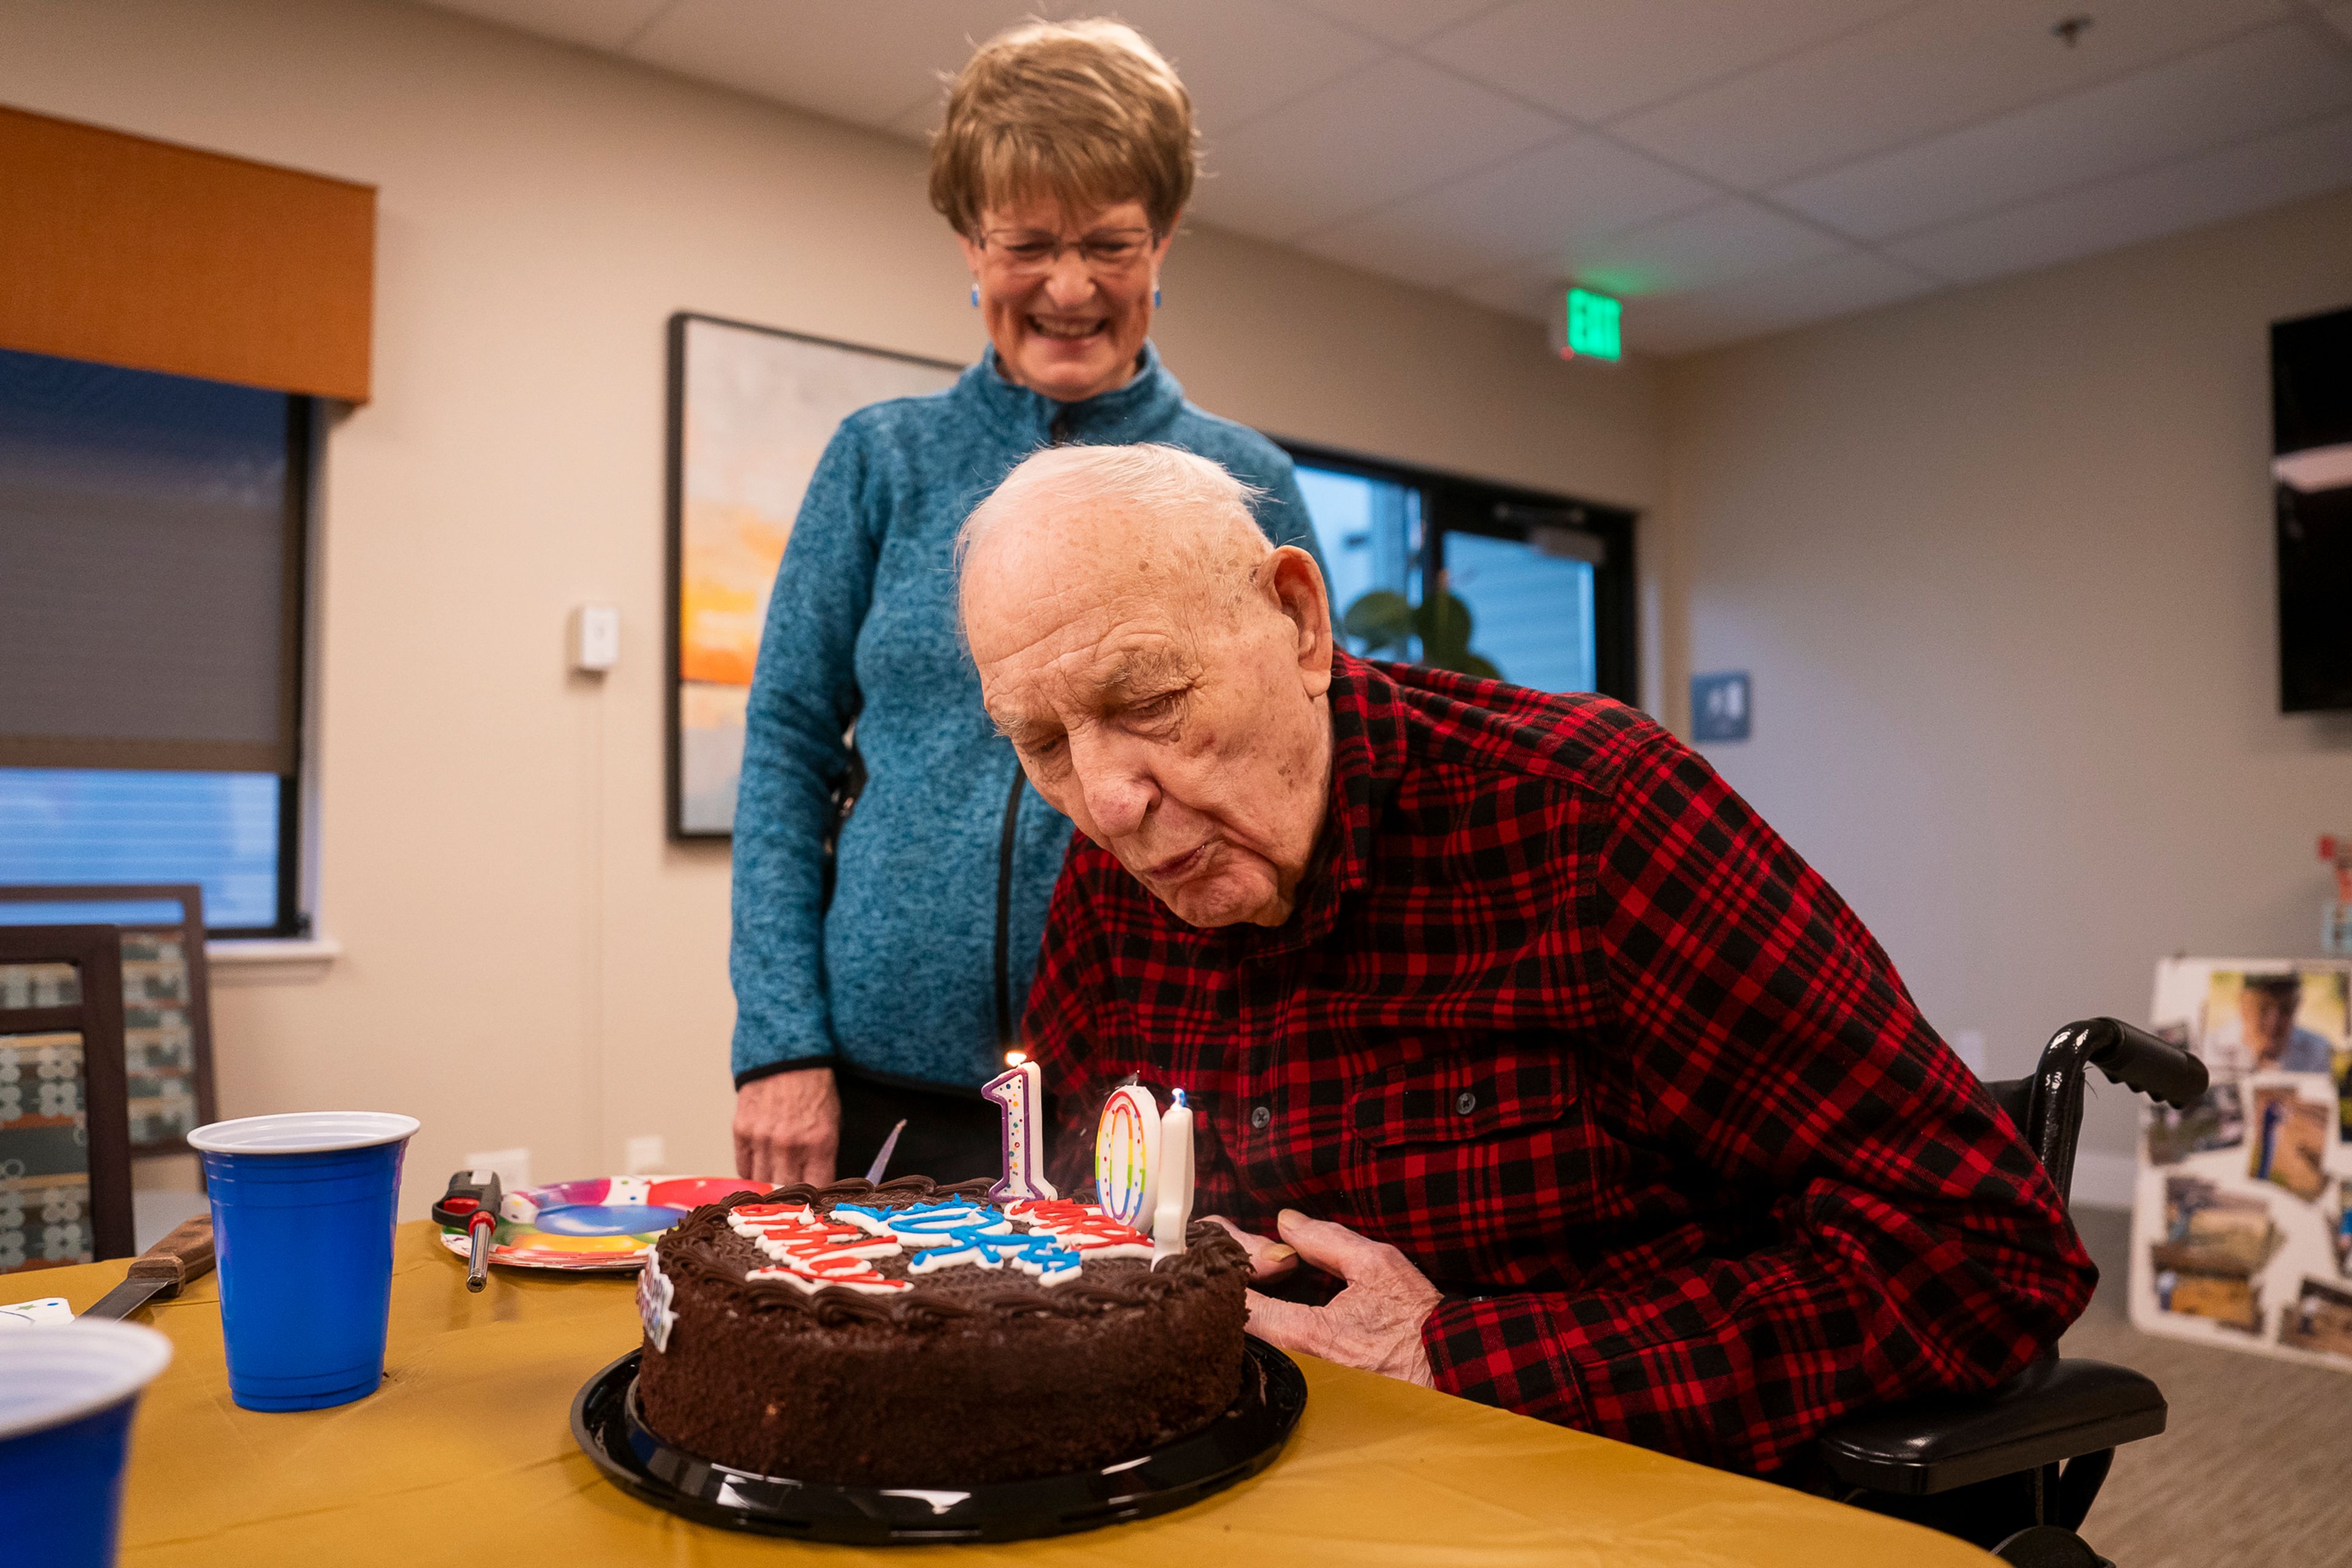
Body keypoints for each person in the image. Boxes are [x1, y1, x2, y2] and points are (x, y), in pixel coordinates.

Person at [956, 442, 2097, 1479]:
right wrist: (1148, 1250)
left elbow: (1988, 1253)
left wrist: (1465, 1355)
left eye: (1148, 699)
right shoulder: (1117, 875)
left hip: (1602, 1494)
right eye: (1044, 743)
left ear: (1300, 622)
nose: (1104, 800)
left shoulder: (1592, 818)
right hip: (1266, 1478)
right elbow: (1066, 1191)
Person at [729, 20, 1327, 1187]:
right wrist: (781, 1045)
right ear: (970, 244)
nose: (1069, 287)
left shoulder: (1247, 479)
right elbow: (786, 752)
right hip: (882, 1082)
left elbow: (1311, 760)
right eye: (1029, 245)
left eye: (1108, 243)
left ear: (1162, 244)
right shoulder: (881, 461)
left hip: (1155, 1089)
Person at [2238, 974, 2334, 1073]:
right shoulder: (2222, 1047)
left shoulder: (2317, 1050)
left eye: (2285, 1009)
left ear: (2297, 1007)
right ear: (2243, 1006)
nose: (2273, 1023)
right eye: (2263, 1008)